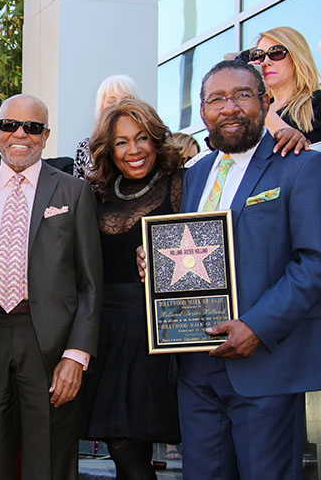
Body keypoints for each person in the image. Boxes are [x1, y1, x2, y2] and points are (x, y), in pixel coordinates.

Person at [139, 59, 321, 479]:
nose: (230, 107)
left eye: (242, 95)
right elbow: (188, 249)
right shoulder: (196, 174)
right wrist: (155, 262)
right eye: (217, 99)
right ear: (203, 111)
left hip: (265, 367)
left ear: (265, 101)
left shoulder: (299, 165)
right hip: (196, 367)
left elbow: (313, 263)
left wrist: (257, 326)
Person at [0, 94, 102, 480]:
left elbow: (90, 284)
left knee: (50, 463)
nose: (20, 134)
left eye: (32, 127)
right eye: (10, 125)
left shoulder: (74, 192)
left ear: (46, 134)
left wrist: (77, 355)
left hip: (50, 346)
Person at [82, 99, 182, 480]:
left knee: (142, 437)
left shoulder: (180, 182)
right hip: (108, 329)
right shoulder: (95, 191)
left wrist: (164, 252)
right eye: (121, 142)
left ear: (156, 139)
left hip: (159, 327)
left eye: (142, 138)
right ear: (108, 149)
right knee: (120, 442)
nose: (134, 150)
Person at [250, 26, 321, 144]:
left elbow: (301, 154)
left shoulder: (316, 103)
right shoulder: (250, 113)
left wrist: (258, 101)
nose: (266, 62)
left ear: (296, 57)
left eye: (276, 52)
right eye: (259, 56)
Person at [73, 74, 143, 180]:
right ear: (101, 107)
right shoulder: (86, 147)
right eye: (112, 101)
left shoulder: (152, 137)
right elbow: (78, 190)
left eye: (126, 100)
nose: (119, 105)